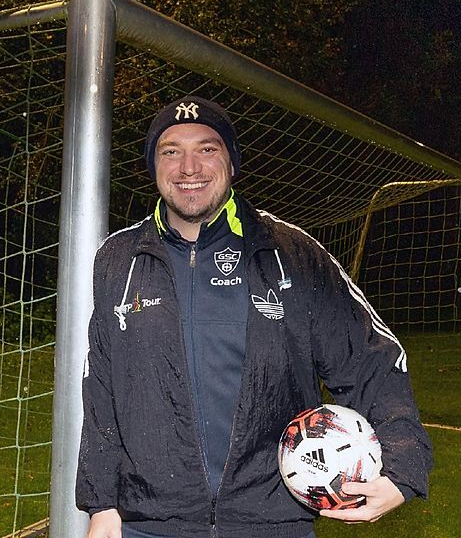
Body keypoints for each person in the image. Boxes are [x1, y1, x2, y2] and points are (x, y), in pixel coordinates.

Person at [76, 96, 433, 538]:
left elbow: (371, 357)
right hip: (148, 525)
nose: (189, 167)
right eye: (171, 151)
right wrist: (102, 504)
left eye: (207, 149)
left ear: (231, 161)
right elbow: (103, 387)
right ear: (153, 165)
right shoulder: (119, 258)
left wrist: (403, 462)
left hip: (272, 522)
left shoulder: (290, 253)